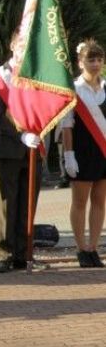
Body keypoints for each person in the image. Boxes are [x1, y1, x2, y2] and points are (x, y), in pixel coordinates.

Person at [0, 31, 46, 273]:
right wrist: (20, 133)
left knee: (27, 203)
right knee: (5, 203)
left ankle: (23, 251)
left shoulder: (38, 75)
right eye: (20, 43)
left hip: (34, 147)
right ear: (12, 45)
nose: (23, 48)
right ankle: (2, 253)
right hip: (9, 147)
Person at [61, 40, 106, 268]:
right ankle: (80, 248)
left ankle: (93, 247)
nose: (96, 63)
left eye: (99, 59)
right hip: (82, 150)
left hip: (103, 150)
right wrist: (69, 154)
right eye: (91, 59)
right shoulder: (73, 89)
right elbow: (67, 125)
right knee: (80, 201)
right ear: (80, 62)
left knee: (100, 200)